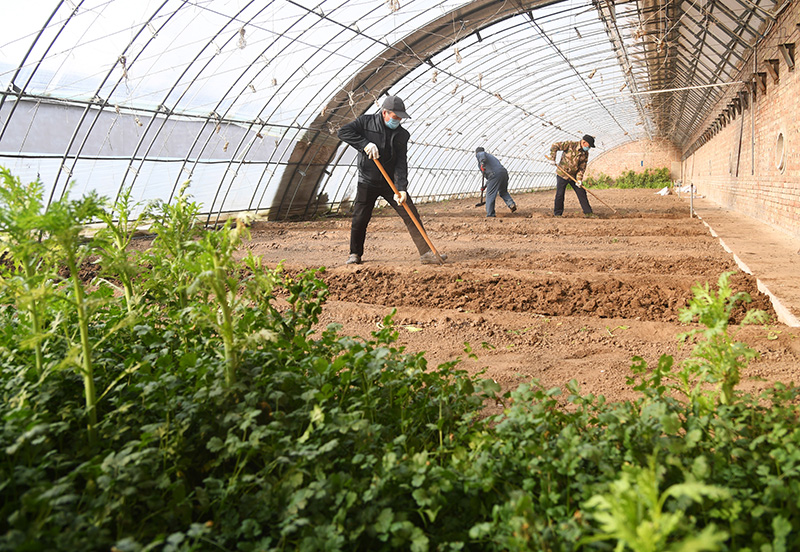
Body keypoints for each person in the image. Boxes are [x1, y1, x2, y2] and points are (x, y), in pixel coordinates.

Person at [337, 95, 445, 265]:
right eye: (395, 117)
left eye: (401, 117)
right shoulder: (366, 122)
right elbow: (343, 132)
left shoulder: (402, 135)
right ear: (385, 112)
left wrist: (401, 188)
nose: (398, 120)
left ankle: (426, 253)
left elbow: (401, 162)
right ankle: (355, 253)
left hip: (390, 183)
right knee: (360, 218)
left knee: (411, 214)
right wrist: (364, 144)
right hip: (367, 180)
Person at [547, 134, 596, 217]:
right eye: (589, 145)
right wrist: (552, 158)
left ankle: (588, 213)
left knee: (581, 192)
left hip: (573, 177)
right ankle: (558, 214)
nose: (589, 148)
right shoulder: (570, 145)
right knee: (560, 194)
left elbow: (582, 168)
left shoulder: (585, 154)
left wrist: (579, 179)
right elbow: (554, 146)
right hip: (562, 174)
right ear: (584, 142)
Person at [475, 147, 517, 218]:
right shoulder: (491, 158)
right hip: (503, 173)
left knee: (490, 194)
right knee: (503, 192)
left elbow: (481, 154)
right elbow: (490, 178)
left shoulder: (481, 155)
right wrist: (485, 186)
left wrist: (482, 162)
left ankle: (490, 214)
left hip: (495, 175)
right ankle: (511, 204)